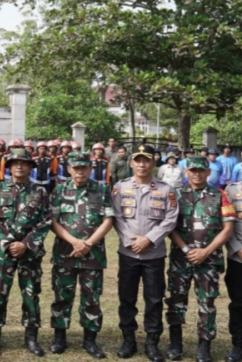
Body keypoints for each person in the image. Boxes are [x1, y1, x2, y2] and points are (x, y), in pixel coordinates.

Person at [164, 156, 235, 362]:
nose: (197, 174)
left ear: (208, 172)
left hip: (209, 261)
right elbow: (169, 227)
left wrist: (206, 251)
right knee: (176, 300)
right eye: (193, 170)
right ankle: (175, 344)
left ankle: (204, 347)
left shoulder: (220, 195)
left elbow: (228, 229)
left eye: (201, 170)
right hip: (181, 258)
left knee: (207, 303)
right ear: (186, 172)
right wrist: (186, 249)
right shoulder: (175, 195)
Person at [113, 144, 178, 361]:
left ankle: (152, 342)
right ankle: (128, 339)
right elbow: (116, 217)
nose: (142, 164)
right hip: (128, 253)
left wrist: (148, 239)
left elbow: (170, 219)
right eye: (138, 160)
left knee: (154, 299)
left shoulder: (166, 189)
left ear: (153, 162)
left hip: (154, 254)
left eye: (146, 160)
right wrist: (131, 241)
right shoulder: (120, 187)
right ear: (131, 162)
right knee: (126, 297)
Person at [0, 147, 51, 357]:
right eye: (15, 163)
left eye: (23, 163)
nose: (19, 166)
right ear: (10, 167)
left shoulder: (40, 192)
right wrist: (9, 243)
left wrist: (26, 245)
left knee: (31, 293)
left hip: (29, 253)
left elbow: (45, 221)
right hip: (3, 252)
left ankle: (31, 337)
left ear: (30, 167)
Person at [48, 152, 115, 358]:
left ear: (90, 169)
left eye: (84, 167)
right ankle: (60, 337)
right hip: (65, 253)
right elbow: (52, 221)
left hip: (92, 254)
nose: (80, 171)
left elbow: (108, 220)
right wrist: (74, 242)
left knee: (91, 298)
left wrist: (88, 243)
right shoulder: (59, 190)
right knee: (62, 296)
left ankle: (90, 340)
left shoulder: (102, 190)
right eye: (76, 168)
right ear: (69, 169)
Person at [224, 178, 242, 362]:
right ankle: (238, 345)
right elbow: (227, 226)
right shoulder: (231, 191)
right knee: (238, 303)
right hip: (238, 258)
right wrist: (238, 250)